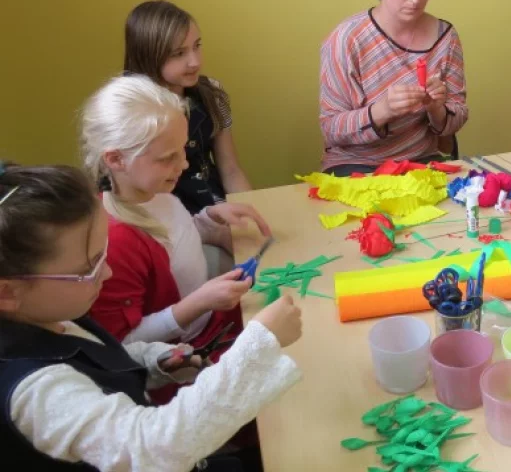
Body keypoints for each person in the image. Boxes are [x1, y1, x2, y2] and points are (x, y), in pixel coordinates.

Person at [0, 162, 303, 471]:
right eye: (88, 268)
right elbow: (149, 450)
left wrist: (153, 361)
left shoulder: (46, 312)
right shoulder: (34, 393)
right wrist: (259, 344)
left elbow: (97, 357)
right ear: (7, 293)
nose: (108, 272)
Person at [81, 75, 271, 391]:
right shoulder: (115, 243)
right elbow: (124, 345)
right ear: (115, 159)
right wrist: (197, 304)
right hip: (189, 362)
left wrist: (209, 218)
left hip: (215, 322)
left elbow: (173, 239)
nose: (183, 164)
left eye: (183, 150)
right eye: (168, 157)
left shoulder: (156, 192)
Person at [320, 0, 468, 176]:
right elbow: (330, 128)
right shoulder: (347, 39)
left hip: (420, 161)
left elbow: (458, 116)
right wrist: (383, 110)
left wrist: (436, 108)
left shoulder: (446, 38)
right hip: (356, 164)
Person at [124, 0, 253, 216]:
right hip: (165, 220)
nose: (194, 61)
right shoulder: (128, 112)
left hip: (215, 206)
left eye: (197, 46)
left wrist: (251, 211)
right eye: (179, 53)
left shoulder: (212, 94)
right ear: (147, 55)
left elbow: (230, 169)